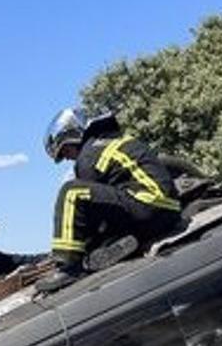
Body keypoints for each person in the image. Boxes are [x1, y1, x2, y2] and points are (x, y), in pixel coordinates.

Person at [43, 107, 181, 288]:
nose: (67, 158)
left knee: (71, 192)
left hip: (146, 205)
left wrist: (84, 246)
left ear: (73, 135)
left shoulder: (89, 155)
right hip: (167, 211)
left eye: (65, 151)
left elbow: (89, 212)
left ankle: (68, 267)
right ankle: (118, 243)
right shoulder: (115, 141)